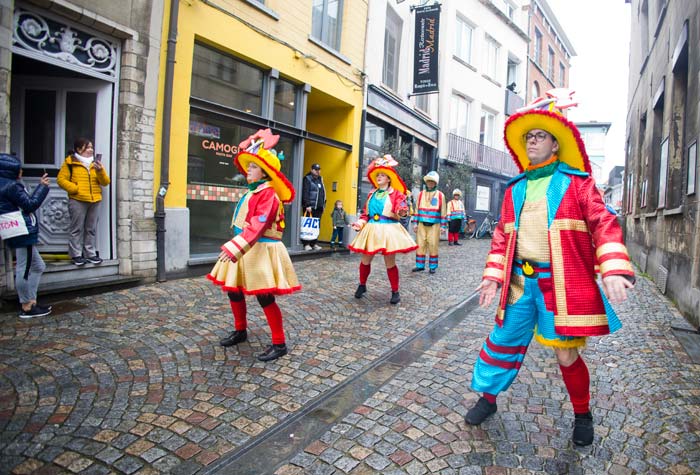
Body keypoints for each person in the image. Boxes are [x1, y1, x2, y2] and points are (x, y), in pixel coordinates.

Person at [463, 91, 635, 447]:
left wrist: (614, 267)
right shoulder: (515, 189)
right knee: (503, 342)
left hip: (559, 284)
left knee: (565, 353)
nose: (531, 141)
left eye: (539, 136)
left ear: (556, 144)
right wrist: (492, 278)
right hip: (520, 284)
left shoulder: (578, 183)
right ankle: (489, 400)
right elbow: (501, 237)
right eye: (528, 136)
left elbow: (603, 221)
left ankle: (583, 414)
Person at [207, 129, 300, 362]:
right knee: (233, 289)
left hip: (261, 249)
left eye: (253, 167)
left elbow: (258, 225)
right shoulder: (253, 191)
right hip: (247, 247)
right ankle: (240, 330)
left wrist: (234, 247)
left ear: (265, 172)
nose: (248, 169)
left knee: (265, 297)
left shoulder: (268, 194)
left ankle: (279, 343)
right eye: (248, 166)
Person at [349, 155, 417, 305]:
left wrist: (402, 211)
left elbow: (401, 207)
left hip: (388, 229)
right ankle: (362, 284)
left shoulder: (396, 194)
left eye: (382, 175)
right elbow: (366, 214)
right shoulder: (371, 194)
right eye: (377, 175)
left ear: (388, 178)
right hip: (372, 229)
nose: (379, 177)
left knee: (389, 262)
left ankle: (395, 291)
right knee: (365, 259)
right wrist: (360, 223)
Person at [0, 154, 51, 318]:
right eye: (19, 169)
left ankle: (31, 300)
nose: (21, 171)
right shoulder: (12, 186)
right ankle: (26, 306)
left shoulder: (6, 184)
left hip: (16, 228)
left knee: (38, 266)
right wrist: (42, 187)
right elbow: (30, 205)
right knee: (25, 268)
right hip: (21, 229)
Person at [57, 138, 111, 266]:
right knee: (76, 228)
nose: (90, 150)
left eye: (91, 147)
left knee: (90, 229)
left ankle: (90, 253)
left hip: (95, 199)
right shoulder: (70, 162)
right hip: (78, 200)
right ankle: (76, 255)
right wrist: (75, 189)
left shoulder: (95, 164)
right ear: (78, 149)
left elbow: (105, 182)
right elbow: (61, 179)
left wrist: (100, 171)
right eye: (87, 148)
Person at [412, 171, 446, 274]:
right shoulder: (421, 194)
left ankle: (432, 266)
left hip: (434, 225)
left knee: (433, 245)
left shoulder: (440, 195)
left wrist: (443, 226)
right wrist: (415, 223)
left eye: (432, 181)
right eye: (428, 181)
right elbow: (417, 209)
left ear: (435, 183)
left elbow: (443, 211)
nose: (430, 183)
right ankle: (420, 265)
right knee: (420, 244)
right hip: (422, 224)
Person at [301, 163, 326, 251]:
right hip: (310, 207)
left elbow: (323, 193)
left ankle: (314, 243)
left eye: (319, 169)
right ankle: (306, 244)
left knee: (315, 227)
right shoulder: (307, 179)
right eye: (315, 169)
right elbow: (305, 192)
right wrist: (307, 204)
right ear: (312, 170)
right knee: (307, 226)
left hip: (318, 207)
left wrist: (323, 205)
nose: (317, 171)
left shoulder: (320, 180)